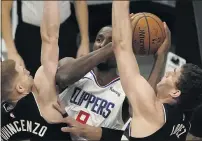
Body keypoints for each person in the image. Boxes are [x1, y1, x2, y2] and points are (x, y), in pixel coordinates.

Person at [55, 13, 171, 141]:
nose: (101, 44)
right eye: (99, 40)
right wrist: (114, 45)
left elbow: (144, 107)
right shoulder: (71, 66)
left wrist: (160, 57)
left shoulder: (125, 90)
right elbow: (63, 77)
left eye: (110, 41)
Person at [112, 1, 202, 141]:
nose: (168, 73)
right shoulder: (182, 124)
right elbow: (148, 97)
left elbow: (121, 46)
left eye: (173, 74)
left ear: (175, 92)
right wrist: (160, 57)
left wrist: (121, 8)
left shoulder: (152, 111)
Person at [1, 1, 71, 140]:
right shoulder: (41, 98)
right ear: (20, 88)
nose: (27, 70)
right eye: (23, 72)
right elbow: (50, 38)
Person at [2, 1, 89, 76]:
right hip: (29, 37)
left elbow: (80, 2)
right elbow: (4, 8)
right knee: (31, 86)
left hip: (65, 33)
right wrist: (11, 51)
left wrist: (85, 42)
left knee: (68, 84)